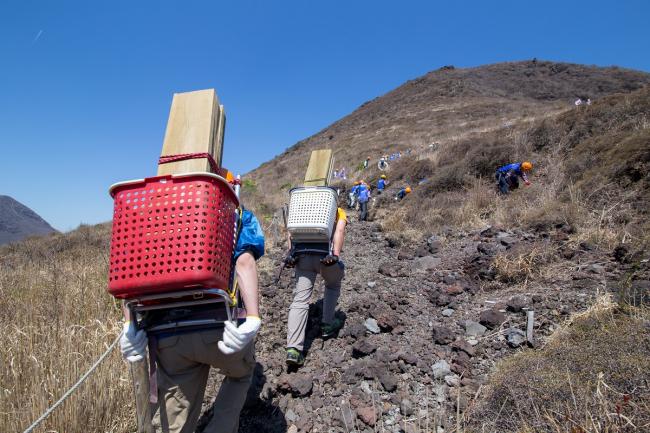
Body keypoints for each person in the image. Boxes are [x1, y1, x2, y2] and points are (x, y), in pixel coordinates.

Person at [120, 207, 265, 433]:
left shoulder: (149, 220)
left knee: (176, 409)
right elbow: (245, 262)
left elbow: (129, 276)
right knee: (240, 375)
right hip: (221, 328)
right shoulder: (236, 213)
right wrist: (254, 317)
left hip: (168, 337)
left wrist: (129, 325)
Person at [283, 199, 348, 366]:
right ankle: (327, 325)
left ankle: (293, 349)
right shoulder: (337, 211)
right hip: (325, 257)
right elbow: (339, 230)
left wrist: (291, 253)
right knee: (333, 284)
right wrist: (335, 255)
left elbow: (290, 233)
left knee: (300, 300)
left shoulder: (300, 209)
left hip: (303, 258)